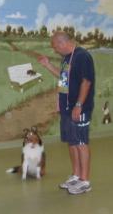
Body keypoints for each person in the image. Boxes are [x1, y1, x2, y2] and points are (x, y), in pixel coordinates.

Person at [38, 31, 95, 195]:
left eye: (55, 46)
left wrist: (78, 105)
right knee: (72, 142)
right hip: (66, 107)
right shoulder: (66, 58)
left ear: (63, 43)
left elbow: (86, 82)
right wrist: (47, 65)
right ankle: (76, 175)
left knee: (81, 142)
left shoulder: (82, 56)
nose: (55, 50)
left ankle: (85, 181)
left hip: (79, 107)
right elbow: (64, 78)